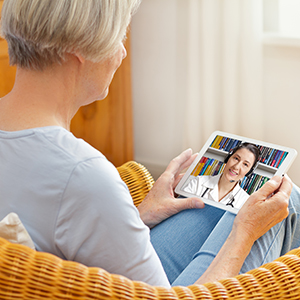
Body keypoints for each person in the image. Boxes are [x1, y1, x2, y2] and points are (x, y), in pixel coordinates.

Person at [0, 0, 297, 289]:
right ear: (79, 49)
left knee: (217, 207)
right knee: (286, 200)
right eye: (119, 36)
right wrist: (244, 234)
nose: (122, 52)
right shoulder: (82, 174)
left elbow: (56, 229)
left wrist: (138, 215)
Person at [183, 143, 260, 209]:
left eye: (245, 164)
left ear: (249, 171)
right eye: (236, 158)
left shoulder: (246, 202)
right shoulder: (198, 183)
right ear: (228, 158)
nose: (236, 167)